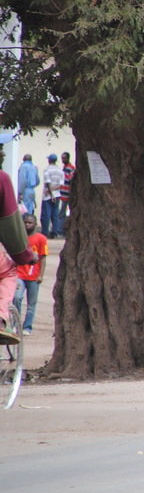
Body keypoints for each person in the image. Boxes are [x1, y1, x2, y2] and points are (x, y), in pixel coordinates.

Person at [0, 141, 37, 344]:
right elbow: (11, 227)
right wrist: (25, 255)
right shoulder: (2, 179)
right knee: (8, 271)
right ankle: (1, 318)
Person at [13, 214, 48, 335]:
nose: (27, 225)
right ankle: (15, 324)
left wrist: (41, 275)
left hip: (34, 276)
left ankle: (27, 327)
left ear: (35, 224)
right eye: (25, 222)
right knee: (16, 297)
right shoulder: (19, 237)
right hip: (20, 274)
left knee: (31, 304)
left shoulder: (41, 239)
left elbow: (43, 259)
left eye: (30, 223)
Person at [40, 154, 65, 239]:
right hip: (57, 194)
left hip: (47, 195)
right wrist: (54, 191)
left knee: (46, 214)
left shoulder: (47, 170)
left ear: (49, 160)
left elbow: (47, 183)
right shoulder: (60, 171)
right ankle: (55, 232)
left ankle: (45, 232)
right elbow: (61, 184)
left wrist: (51, 193)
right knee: (55, 214)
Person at [58, 151, 76, 233]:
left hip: (67, 193)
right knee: (63, 212)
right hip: (63, 192)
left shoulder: (70, 168)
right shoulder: (65, 167)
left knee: (63, 212)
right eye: (62, 158)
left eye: (64, 158)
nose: (62, 160)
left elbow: (70, 179)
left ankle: (62, 230)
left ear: (68, 158)